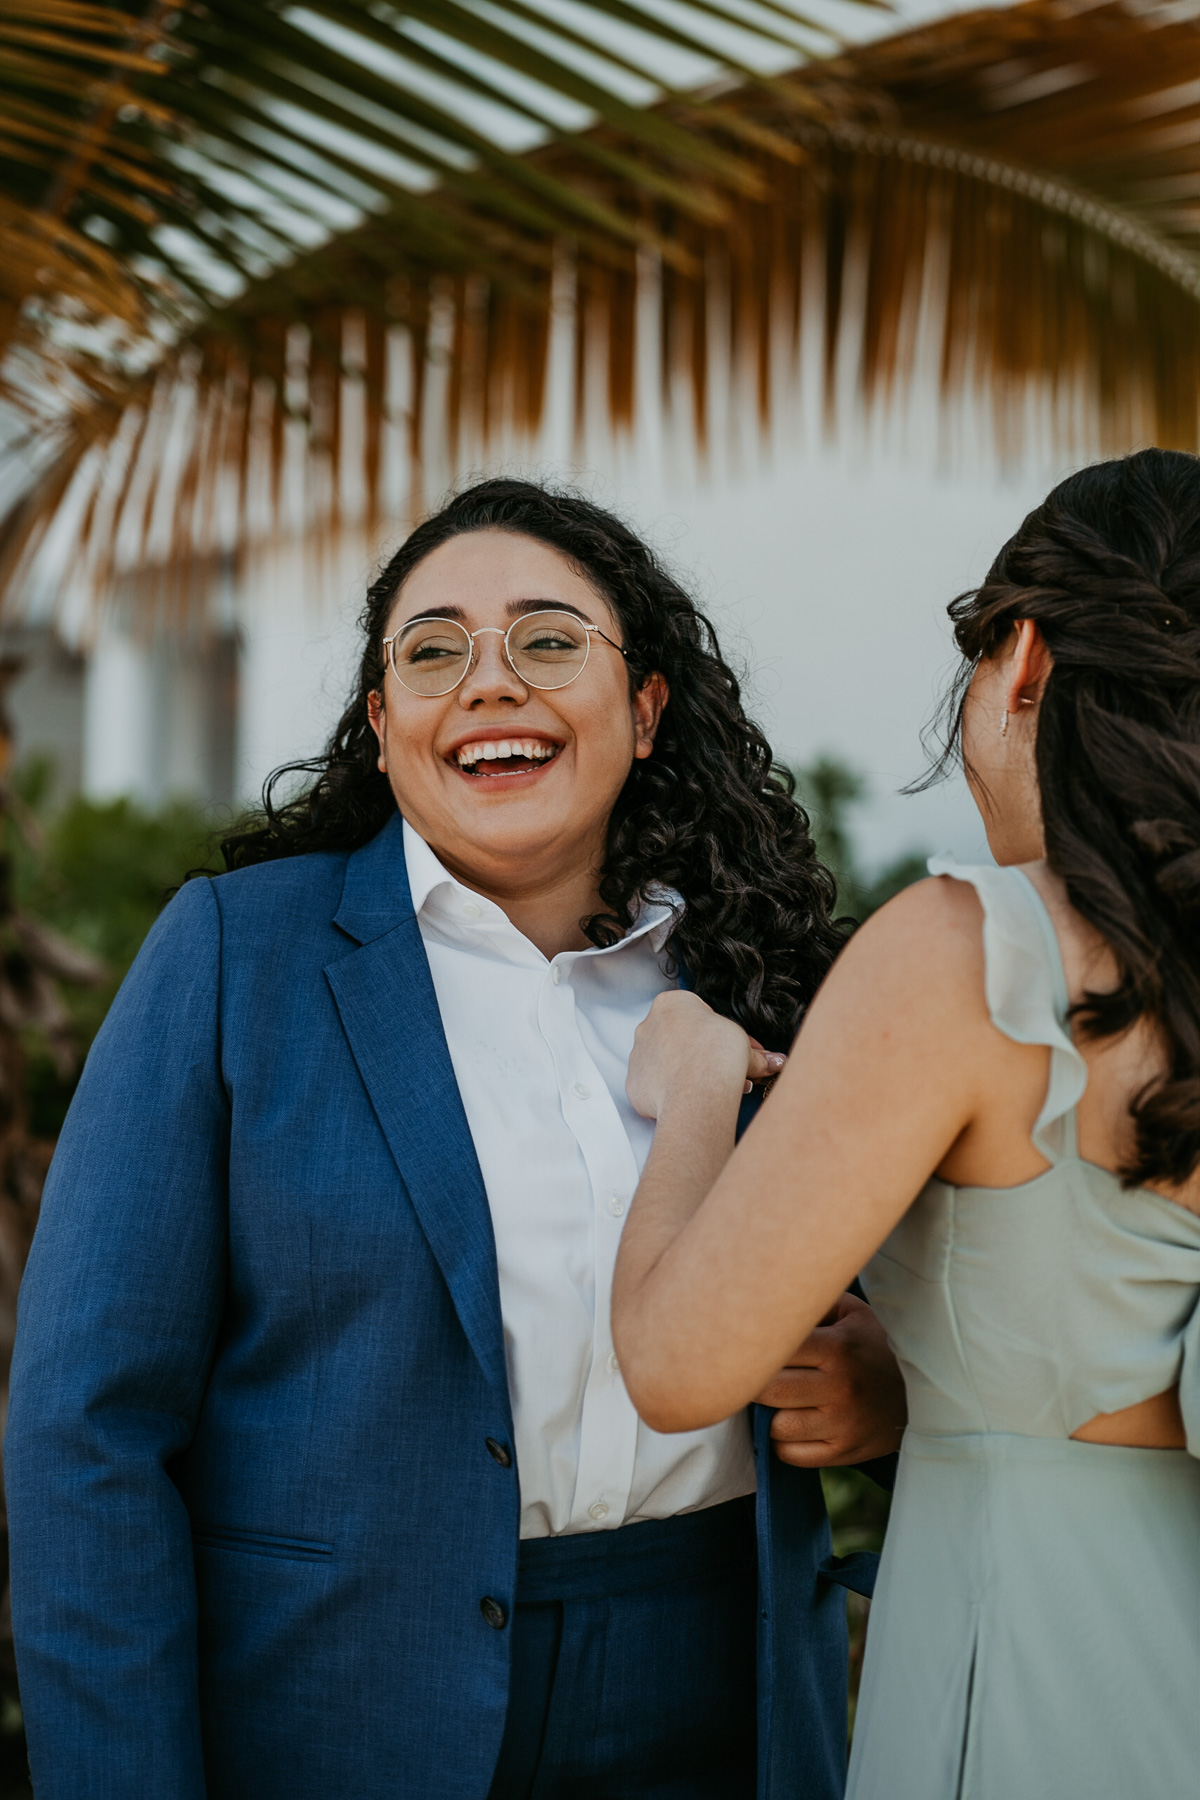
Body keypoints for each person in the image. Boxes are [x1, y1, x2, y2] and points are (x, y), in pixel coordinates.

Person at [6, 479, 904, 1800]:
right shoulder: (233, 959)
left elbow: (937, 1317)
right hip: (341, 1713)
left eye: (548, 640)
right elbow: (88, 1433)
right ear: (382, 726)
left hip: (720, 1688)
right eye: (434, 652)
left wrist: (890, 1388)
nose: (491, 682)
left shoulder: (759, 987)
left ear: (646, 709)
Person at [610, 447, 1200, 1800]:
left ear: (1026, 660)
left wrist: (699, 1084)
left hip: (1041, 1706)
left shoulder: (970, 954)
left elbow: (679, 1362)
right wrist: (932, 1390)